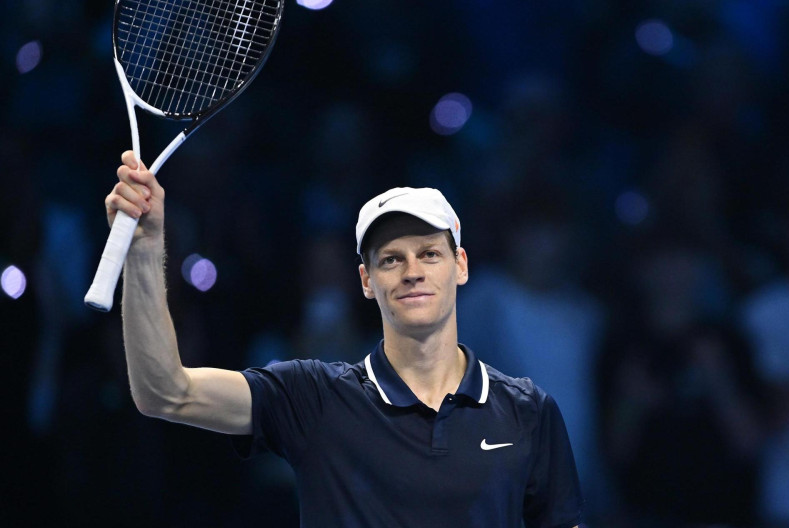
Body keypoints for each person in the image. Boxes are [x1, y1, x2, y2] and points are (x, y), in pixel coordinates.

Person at [105, 150, 584, 527]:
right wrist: (146, 249)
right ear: (366, 280)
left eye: (429, 254)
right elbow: (165, 391)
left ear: (460, 266)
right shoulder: (315, 397)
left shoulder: (528, 411)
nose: (413, 272)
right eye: (391, 259)